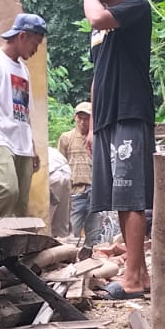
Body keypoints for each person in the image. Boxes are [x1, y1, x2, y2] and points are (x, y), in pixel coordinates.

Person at [69, 0, 152, 297]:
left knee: (131, 195)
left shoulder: (136, 7)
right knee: (119, 197)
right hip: (107, 118)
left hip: (130, 111)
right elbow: (98, 73)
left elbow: (98, 19)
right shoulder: (100, 26)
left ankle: (133, 276)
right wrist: (93, 125)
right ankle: (139, 275)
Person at [0, 13, 46, 217]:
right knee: (7, 189)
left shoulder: (23, 70)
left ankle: (15, 248)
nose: (36, 49)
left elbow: (25, 112)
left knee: (20, 205)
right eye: (35, 43)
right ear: (22, 36)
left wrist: (32, 147)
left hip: (22, 144)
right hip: (0, 139)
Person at [58, 101, 101, 244]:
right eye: (80, 118)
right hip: (75, 191)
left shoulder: (98, 138)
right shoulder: (66, 138)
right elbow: (61, 164)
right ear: (75, 118)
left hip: (94, 191)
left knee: (94, 235)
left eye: (87, 118)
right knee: (72, 234)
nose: (83, 122)